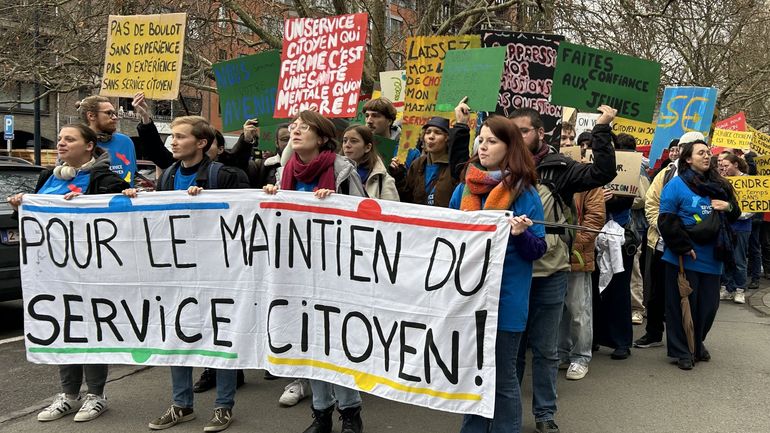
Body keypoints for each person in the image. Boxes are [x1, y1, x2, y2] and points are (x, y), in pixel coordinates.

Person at [123, 116, 244, 431]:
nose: (173, 142)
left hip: (218, 272)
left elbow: (245, 217)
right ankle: (181, 405)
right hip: (177, 272)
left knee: (221, 337)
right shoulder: (168, 177)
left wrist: (209, 202)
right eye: (171, 137)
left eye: (179, 136)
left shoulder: (226, 176)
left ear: (201, 142)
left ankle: (224, 406)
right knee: (177, 335)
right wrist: (137, 201)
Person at [8, 124, 129, 423]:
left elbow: (125, 218)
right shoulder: (48, 176)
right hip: (52, 271)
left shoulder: (104, 179)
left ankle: (96, 395)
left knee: (91, 328)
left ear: (89, 146)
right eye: (60, 139)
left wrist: (123, 197)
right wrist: (20, 206)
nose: (61, 143)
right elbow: (32, 220)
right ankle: (69, 394)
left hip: (92, 271)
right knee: (64, 328)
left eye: (69, 139)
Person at [510, 105, 617, 433]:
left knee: (545, 349)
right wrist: (461, 128)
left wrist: (602, 128)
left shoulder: (560, 168)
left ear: (540, 133)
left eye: (524, 131)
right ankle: (507, 414)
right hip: (512, 272)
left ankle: (545, 414)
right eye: (513, 132)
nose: (518, 137)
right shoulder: (502, 166)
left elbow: (602, 173)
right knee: (513, 350)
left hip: (551, 272)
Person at [263, 110, 365, 433]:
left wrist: (336, 204)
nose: (295, 131)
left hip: (336, 272)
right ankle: (321, 412)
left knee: (337, 343)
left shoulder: (342, 171)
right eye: (294, 126)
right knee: (310, 343)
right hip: (298, 272)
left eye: (304, 127)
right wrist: (272, 199)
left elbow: (365, 216)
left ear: (321, 138)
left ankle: (350, 412)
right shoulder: (285, 173)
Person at [451, 115, 546, 433]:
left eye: (492, 141)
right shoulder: (463, 190)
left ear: (509, 148)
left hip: (505, 303)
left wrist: (521, 234)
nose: (483, 146)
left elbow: (538, 249)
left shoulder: (526, 193)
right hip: (467, 300)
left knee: (503, 378)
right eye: (481, 139)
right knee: (472, 376)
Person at [658, 138, 740, 370]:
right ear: (687, 159)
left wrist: (727, 207)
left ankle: (696, 342)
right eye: (700, 153)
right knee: (682, 307)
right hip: (685, 257)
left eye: (708, 152)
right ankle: (682, 351)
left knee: (708, 308)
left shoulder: (720, 184)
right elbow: (666, 220)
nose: (707, 156)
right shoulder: (676, 185)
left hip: (713, 256)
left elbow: (736, 212)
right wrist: (683, 246)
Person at [557, 186, 604, 380]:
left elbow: (595, 218)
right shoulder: (549, 173)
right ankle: (561, 352)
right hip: (551, 255)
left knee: (579, 309)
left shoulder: (588, 181)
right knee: (557, 310)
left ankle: (580, 357)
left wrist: (574, 242)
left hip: (576, 254)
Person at [389, 103, 470, 208]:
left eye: (437, 133)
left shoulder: (454, 165)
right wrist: (398, 175)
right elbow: (407, 199)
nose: (431, 136)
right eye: (428, 132)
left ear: (447, 139)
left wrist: (461, 125)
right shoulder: (417, 164)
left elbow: (460, 150)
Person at [77, 95, 137, 186]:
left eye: (115, 113)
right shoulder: (78, 145)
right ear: (91, 116)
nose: (115, 117)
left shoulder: (126, 142)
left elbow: (132, 175)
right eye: (109, 113)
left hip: (124, 194)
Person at [718, 152, 753, 304]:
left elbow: (753, 206)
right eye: (722, 166)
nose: (724, 169)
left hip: (742, 226)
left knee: (739, 259)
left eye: (726, 166)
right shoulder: (723, 180)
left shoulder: (749, 180)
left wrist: (735, 213)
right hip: (726, 225)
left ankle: (740, 289)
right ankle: (727, 287)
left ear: (736, 164)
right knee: (726, 257)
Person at [341, 125, 399, 201]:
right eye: (345, 141)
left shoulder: (383, 179)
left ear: (368, 147)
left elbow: (390, 207)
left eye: (354, 141)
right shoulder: (333, 172)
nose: (347, 145)